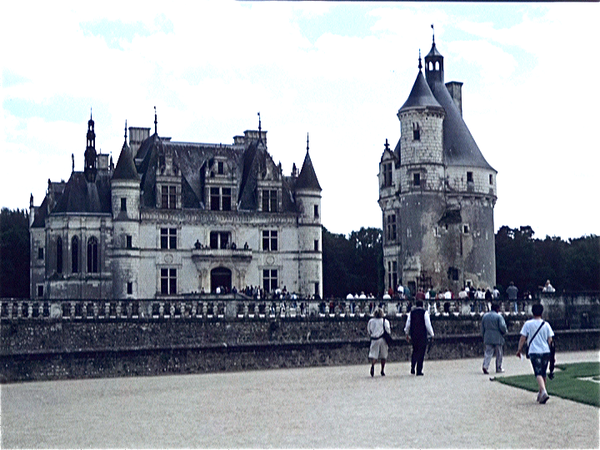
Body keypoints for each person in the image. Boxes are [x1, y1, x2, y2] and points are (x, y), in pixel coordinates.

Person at [516, 303, 555, 404]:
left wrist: (519, 349)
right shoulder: (546, 325)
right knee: (543, 372)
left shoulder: (528, 324)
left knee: (538, 373)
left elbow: (523, 338)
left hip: (534, 351)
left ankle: (544, 391)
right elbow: (550, 340)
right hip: (546, 350)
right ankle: (541, 392)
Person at [404, 300, 434, 376]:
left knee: (415, 351)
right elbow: (428, 324)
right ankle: (419, 370)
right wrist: (432, 334)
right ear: (422, 305)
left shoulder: (411, 313)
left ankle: (413, 367)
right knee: (421, 352)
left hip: (414, 334)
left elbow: (408, 324)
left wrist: (406, 333)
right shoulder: (425, 313)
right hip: (422, 335)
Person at [481, 303, 507, 374]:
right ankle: (498, 367)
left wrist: (483, 336)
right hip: (497, 337)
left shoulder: (485, 316)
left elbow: (482, 328)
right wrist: (504, 332)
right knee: (499, 353)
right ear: (497, 309)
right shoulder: (499, 317)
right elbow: (502, 327)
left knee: (488, 352)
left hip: (488, 336)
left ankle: (485, 366)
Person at [367, 308, 391, 377]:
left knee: (374, 355)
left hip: (374, 339)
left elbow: (369, 330)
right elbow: (388, 330)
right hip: (382, 339)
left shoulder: (371, 321)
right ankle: (382, 370)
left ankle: (373, 365)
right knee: (383, 355)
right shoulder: (385, 321)